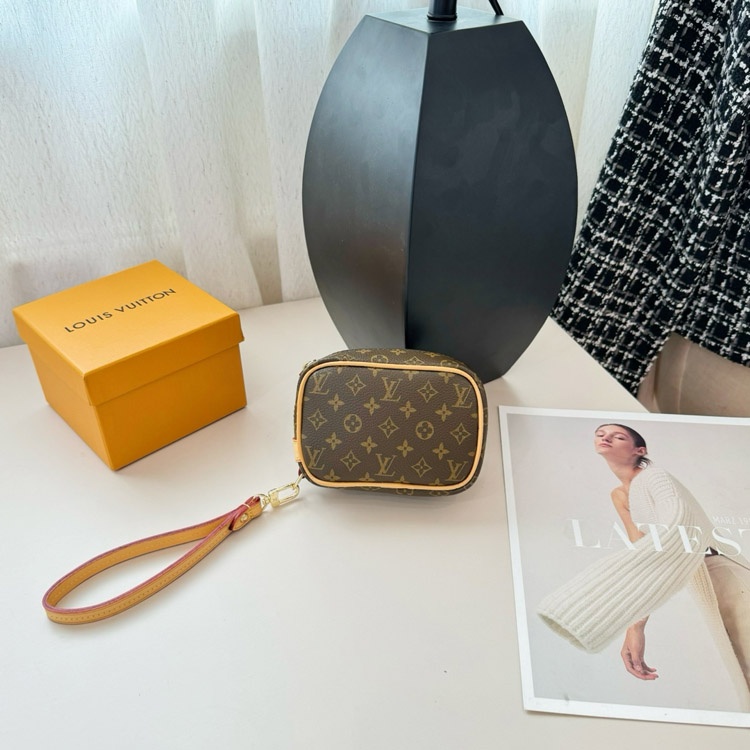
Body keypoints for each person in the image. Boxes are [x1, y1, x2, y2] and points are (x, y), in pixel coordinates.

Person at [537, 423, 750, 708]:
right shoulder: (619, 495)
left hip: (723, 572)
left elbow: (678, 523)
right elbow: (641, 549)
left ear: (640, 450)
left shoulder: (655, 477)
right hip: (705, 583)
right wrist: (635, 627)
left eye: (618, 436)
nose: (606, 437)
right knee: (742, 666)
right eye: (600, 434)